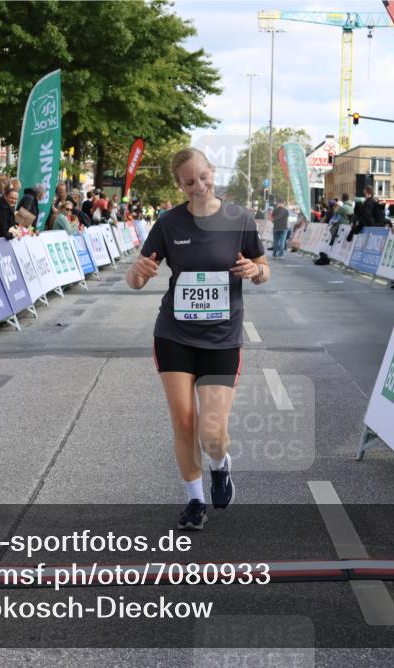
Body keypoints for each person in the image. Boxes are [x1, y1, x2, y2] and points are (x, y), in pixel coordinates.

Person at [126, 147, 268, 531]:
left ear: (212, 171)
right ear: (180, 185)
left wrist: (255, 270)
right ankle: (195, 500)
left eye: (203, 177)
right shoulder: (169, 223)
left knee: (212, 433)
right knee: (184, 422)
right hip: (174, 334)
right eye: (190, 182)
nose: (199, 186)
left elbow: (263, 269)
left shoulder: (239, 219)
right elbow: (136, 279)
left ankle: (220, 466)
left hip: (222, 339)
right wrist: (137, 272)